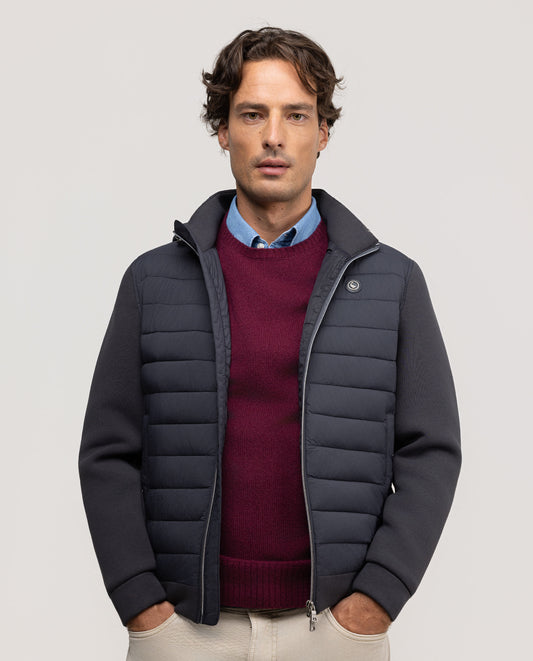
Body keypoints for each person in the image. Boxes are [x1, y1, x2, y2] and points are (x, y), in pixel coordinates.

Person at [79, 27, 461, 661]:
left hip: (333, 631)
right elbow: (107, 452)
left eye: (297, 115)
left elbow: (432, 450)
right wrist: (141, 604)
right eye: (252, 114)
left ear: (324, 131)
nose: (274, 136)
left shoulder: (392, 283)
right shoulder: (152, 281)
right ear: (223, 130)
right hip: (186, 631)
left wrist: (375, 602)